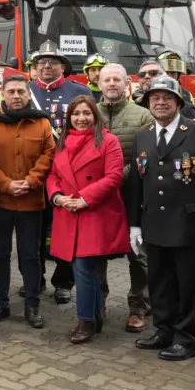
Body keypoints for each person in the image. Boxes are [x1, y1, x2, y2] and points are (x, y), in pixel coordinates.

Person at [129, 76, 195, 361]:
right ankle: (164, 330)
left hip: (190, 224)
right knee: (159, 281)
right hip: (154, 224)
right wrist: (135, 223)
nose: (160, 103)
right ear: (148, 103)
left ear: (179, 102)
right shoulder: (143, 135)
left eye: (167, 98)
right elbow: (137, 182)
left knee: (187, 284)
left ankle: (187, 338)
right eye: (154, 98)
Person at [46, 96, 130, 344]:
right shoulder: (61, 142)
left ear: (95, 116)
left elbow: (114, 177)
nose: (81, 118)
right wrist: (57, 197)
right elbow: (52, 175)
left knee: (82, 267)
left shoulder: (108, 140)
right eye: (76, 114)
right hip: (68, 211)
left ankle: (86, 320)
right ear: (69, 117)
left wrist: (84, 198)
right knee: (84, 269)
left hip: (94, 211)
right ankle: (94, 315)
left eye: (86, 113)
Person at [0, 74, 55, 329]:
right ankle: (1, 303)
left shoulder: (42, 123)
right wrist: (6, 184)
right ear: (2, 92)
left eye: (21, 92)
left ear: (27, 93)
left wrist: (32, 181)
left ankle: (32, 306)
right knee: (0, 254)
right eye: (11, 91)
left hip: (31, 201)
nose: (16, 96)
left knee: (30, 256)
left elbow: (49, 153)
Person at [95, 64, 155, 332]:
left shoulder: (143, 116)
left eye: (117, 79)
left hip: (133, 194)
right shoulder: (88, 113)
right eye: (106, 79)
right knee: (95, 252)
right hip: (97, 197)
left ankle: (138, 307)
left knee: (139, 254)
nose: (111, 84)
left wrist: (115, 178)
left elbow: (148, 157)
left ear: (126, 83)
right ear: (99, 84)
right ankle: (98, 301)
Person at [28, 40, 88, 305]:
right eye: (42, 62)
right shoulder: (25, 91)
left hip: (67, 174)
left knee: (65, 230)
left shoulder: (79, 91)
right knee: (33, 230)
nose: (47, 66)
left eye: (52, 62)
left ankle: (64, 282)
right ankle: (35, 278)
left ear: (63, 66)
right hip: (34, 172)